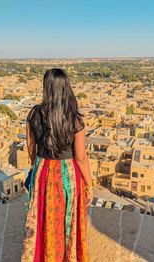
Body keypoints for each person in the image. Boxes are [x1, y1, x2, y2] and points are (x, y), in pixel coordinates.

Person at [21, 68, 93, 262]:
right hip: (67, 175)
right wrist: (89, 184)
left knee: (44, 218)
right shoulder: (74, 119)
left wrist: (37, 169)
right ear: (65, 88)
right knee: (66, 220)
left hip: (42, 171)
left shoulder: (34, 114)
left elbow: (31, 147)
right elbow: (81, 158)